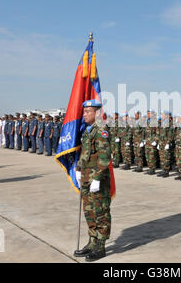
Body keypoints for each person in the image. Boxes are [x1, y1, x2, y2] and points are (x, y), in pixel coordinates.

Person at [73, 100, 112, 262]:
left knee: (100, 212)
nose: (84, 114)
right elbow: (86, 153)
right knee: (89, 211)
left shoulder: (101, 130)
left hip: (98, 180)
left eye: (87, 111)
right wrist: (79, 169)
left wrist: (96, 178)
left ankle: (100, 246)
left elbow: (104, 157)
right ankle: (92, 241)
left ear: (96, 113)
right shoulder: (89, 131)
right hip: (86, 177)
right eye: (84, 111)